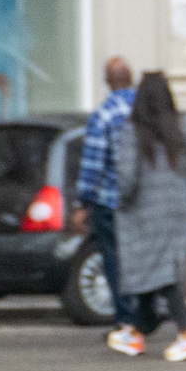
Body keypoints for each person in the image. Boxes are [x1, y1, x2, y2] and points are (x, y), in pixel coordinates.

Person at [108, 72, 186, 362]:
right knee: (156, 271)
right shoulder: (182, 127)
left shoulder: (132, 131)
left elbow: (128, 179)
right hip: (179, 209)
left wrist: (120, 202)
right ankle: (136, 333)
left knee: (160, 275)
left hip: (144, 211)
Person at [75, 57, 136, 338]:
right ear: (131, 77)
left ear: (108, 81)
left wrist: (83, 203)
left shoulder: (104, 114)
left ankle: (125, 319)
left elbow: (93, 164)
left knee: (114, 260)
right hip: (144, 201)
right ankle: (147, 311)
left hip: (111, 201)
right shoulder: (149, 112)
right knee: (140, 258)